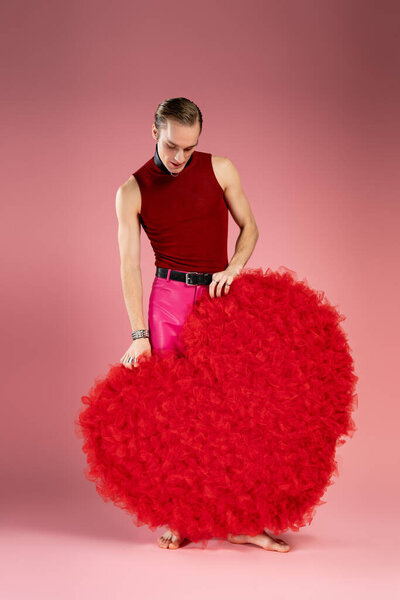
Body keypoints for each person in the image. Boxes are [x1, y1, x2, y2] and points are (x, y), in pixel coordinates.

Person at [114, 97, 290, 552]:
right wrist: (139, 335)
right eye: (172, 146)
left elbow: (250, 227)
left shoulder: (221, 169)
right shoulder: (131, 191)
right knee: (177, 416)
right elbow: (129, 265)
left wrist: (234, 267)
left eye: (189, 149)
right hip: (168, 302)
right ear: (154, 132)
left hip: (218, 298)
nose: (180, 157)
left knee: (235, 411)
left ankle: (241, 521)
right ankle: (182, 518)